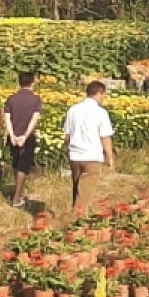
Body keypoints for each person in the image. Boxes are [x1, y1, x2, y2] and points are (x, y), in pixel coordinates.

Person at [63, 81, 115, 214]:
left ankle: (76, 214)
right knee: (85, 192)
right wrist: (110, 157)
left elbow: (67, 135)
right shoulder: (101, 113)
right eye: (104, 95)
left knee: (78, 188)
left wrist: (70, 148)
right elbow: (105, 137)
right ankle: (76, 219)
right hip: (92, 156)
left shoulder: (73, 110)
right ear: (98, 93)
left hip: (75, 155)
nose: (104, 98)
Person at [3, 72, 42, 208]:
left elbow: (7, 118)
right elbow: (34, 120)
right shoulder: (36, 99)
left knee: (16, 163)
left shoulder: (11, 99)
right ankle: (16, 197)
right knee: (24, 166)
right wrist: (25, 136)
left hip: (13, 136)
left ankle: (20, 191)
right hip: (27, 137)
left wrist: (13, 135)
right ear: (32, 82)